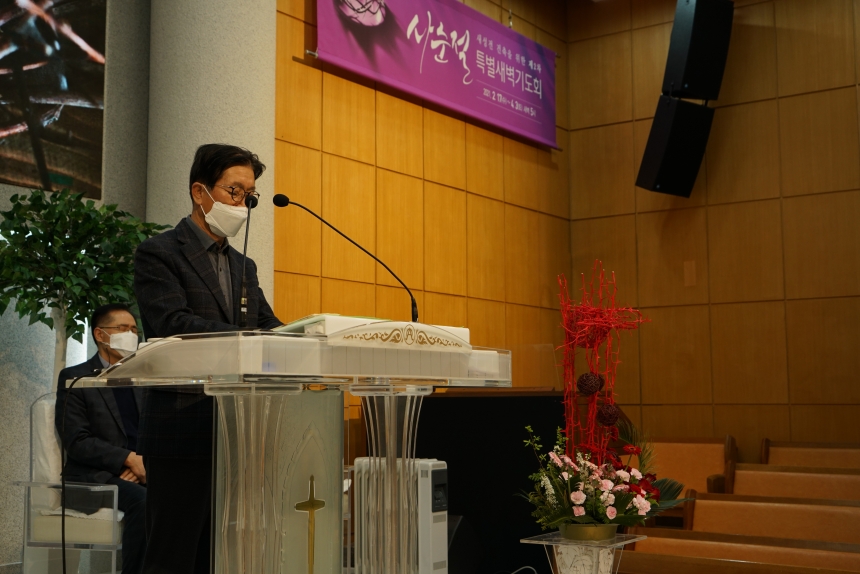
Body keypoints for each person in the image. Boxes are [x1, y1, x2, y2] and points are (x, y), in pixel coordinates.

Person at [133, 143, 283, 574]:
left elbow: (267, 324)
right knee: (172, 556)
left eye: (249, 195)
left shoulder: (243, 266)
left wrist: (308, 337)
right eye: (234, 191)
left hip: (237, 429)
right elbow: (172, 323)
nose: (243, 204)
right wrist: (249, 339)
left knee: (217, 557)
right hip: (181, 426)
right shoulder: (159, 252)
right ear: (200, 192)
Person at [56, 303, 146, 574]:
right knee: (145, 501)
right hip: (93, 477)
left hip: (140, 470)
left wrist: (143, 463)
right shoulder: (76, 378)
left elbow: (154, 430)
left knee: (186, 493)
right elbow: (76, 440)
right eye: (123, 329)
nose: (131, 335)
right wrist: (128, 459)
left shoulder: (143, 378)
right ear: (100, 334)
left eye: (134, 330)